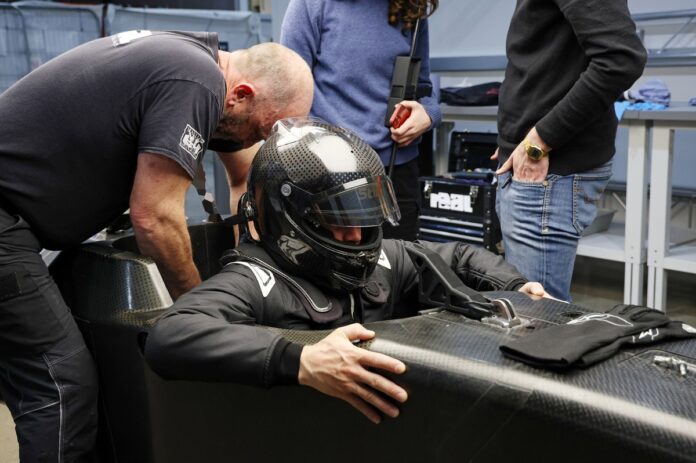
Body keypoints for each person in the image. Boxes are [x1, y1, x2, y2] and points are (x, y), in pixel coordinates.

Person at [0, 31, 313, 462]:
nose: (250, 143)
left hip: (17, 225)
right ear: (241, 95)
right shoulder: (196, 81)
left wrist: (256, 268)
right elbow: (155, 219)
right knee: (60, 382)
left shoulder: (200, 68)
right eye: (258, 131)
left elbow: (243, 178)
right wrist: (202, 313)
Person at [145, 118, 548, 425]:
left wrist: (516, 286)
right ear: (293, 218)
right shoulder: (255, 281)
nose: (357, 236)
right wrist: (301, 360)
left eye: (363, 216)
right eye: (339, 220)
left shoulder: (385, 260)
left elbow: (459, 256)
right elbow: (170, 335)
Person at [493, 0, 647, 301]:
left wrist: (539, 141)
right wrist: (514, 139)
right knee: (528, 307)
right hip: (534, 166)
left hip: (548, 171)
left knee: (537, 317)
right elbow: (546, 59)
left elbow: (620, 60)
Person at [280, 0, 441, 240]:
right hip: (330, 175)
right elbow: (289, 94)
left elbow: (424, 88)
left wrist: (428, 114)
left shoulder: (411, 6)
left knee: (397, 262)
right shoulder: (312, 5)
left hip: (396, 174)